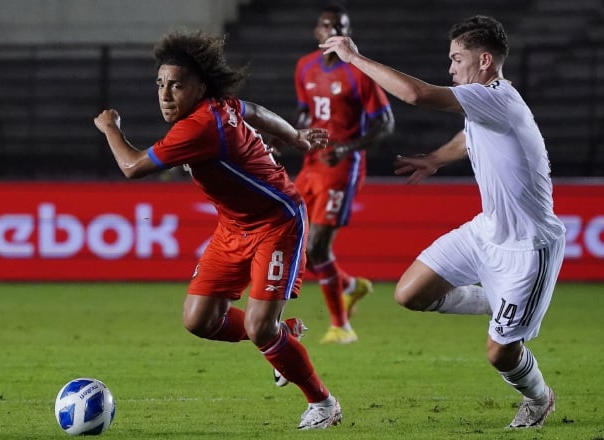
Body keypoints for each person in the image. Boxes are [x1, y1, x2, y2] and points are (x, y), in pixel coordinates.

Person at [321, 15, 565, 428]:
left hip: (529, 249)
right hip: (486, 232)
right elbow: (471, 135)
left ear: (484, 60)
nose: (450, 68)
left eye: (456, 59)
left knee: (500, 353)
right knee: (409, 293)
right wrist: (436, 157)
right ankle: (499, 300)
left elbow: (416, 95)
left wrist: (352, 56)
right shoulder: (489, 101)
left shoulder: (498, 99)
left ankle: (539, 397)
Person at [94, 29, 342, 430]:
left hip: (278, 223)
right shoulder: (217, 107)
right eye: (160, 84)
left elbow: (131, 166)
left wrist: (110, 127)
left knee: (260, 326)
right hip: (234, 226)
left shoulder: (198, 128)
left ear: (200, 87)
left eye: (176, 85)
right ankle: (282, 334)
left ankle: (324, 404)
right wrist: (294, 136)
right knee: (199, 320)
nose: (165, 94)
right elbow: (256, 110)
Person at [293, 4, 394, 344]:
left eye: (341, 26)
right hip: (311, 164)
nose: (334, 31)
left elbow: (385, 123)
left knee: (317, 245)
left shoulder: (360, 73)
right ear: (317, 32)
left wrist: (348, 148)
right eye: (328, 26)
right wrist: (292, 136)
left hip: (341, 166)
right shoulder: (305, 67)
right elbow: (306, 113)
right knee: (297, 239)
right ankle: (351, 286)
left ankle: (341, 327)